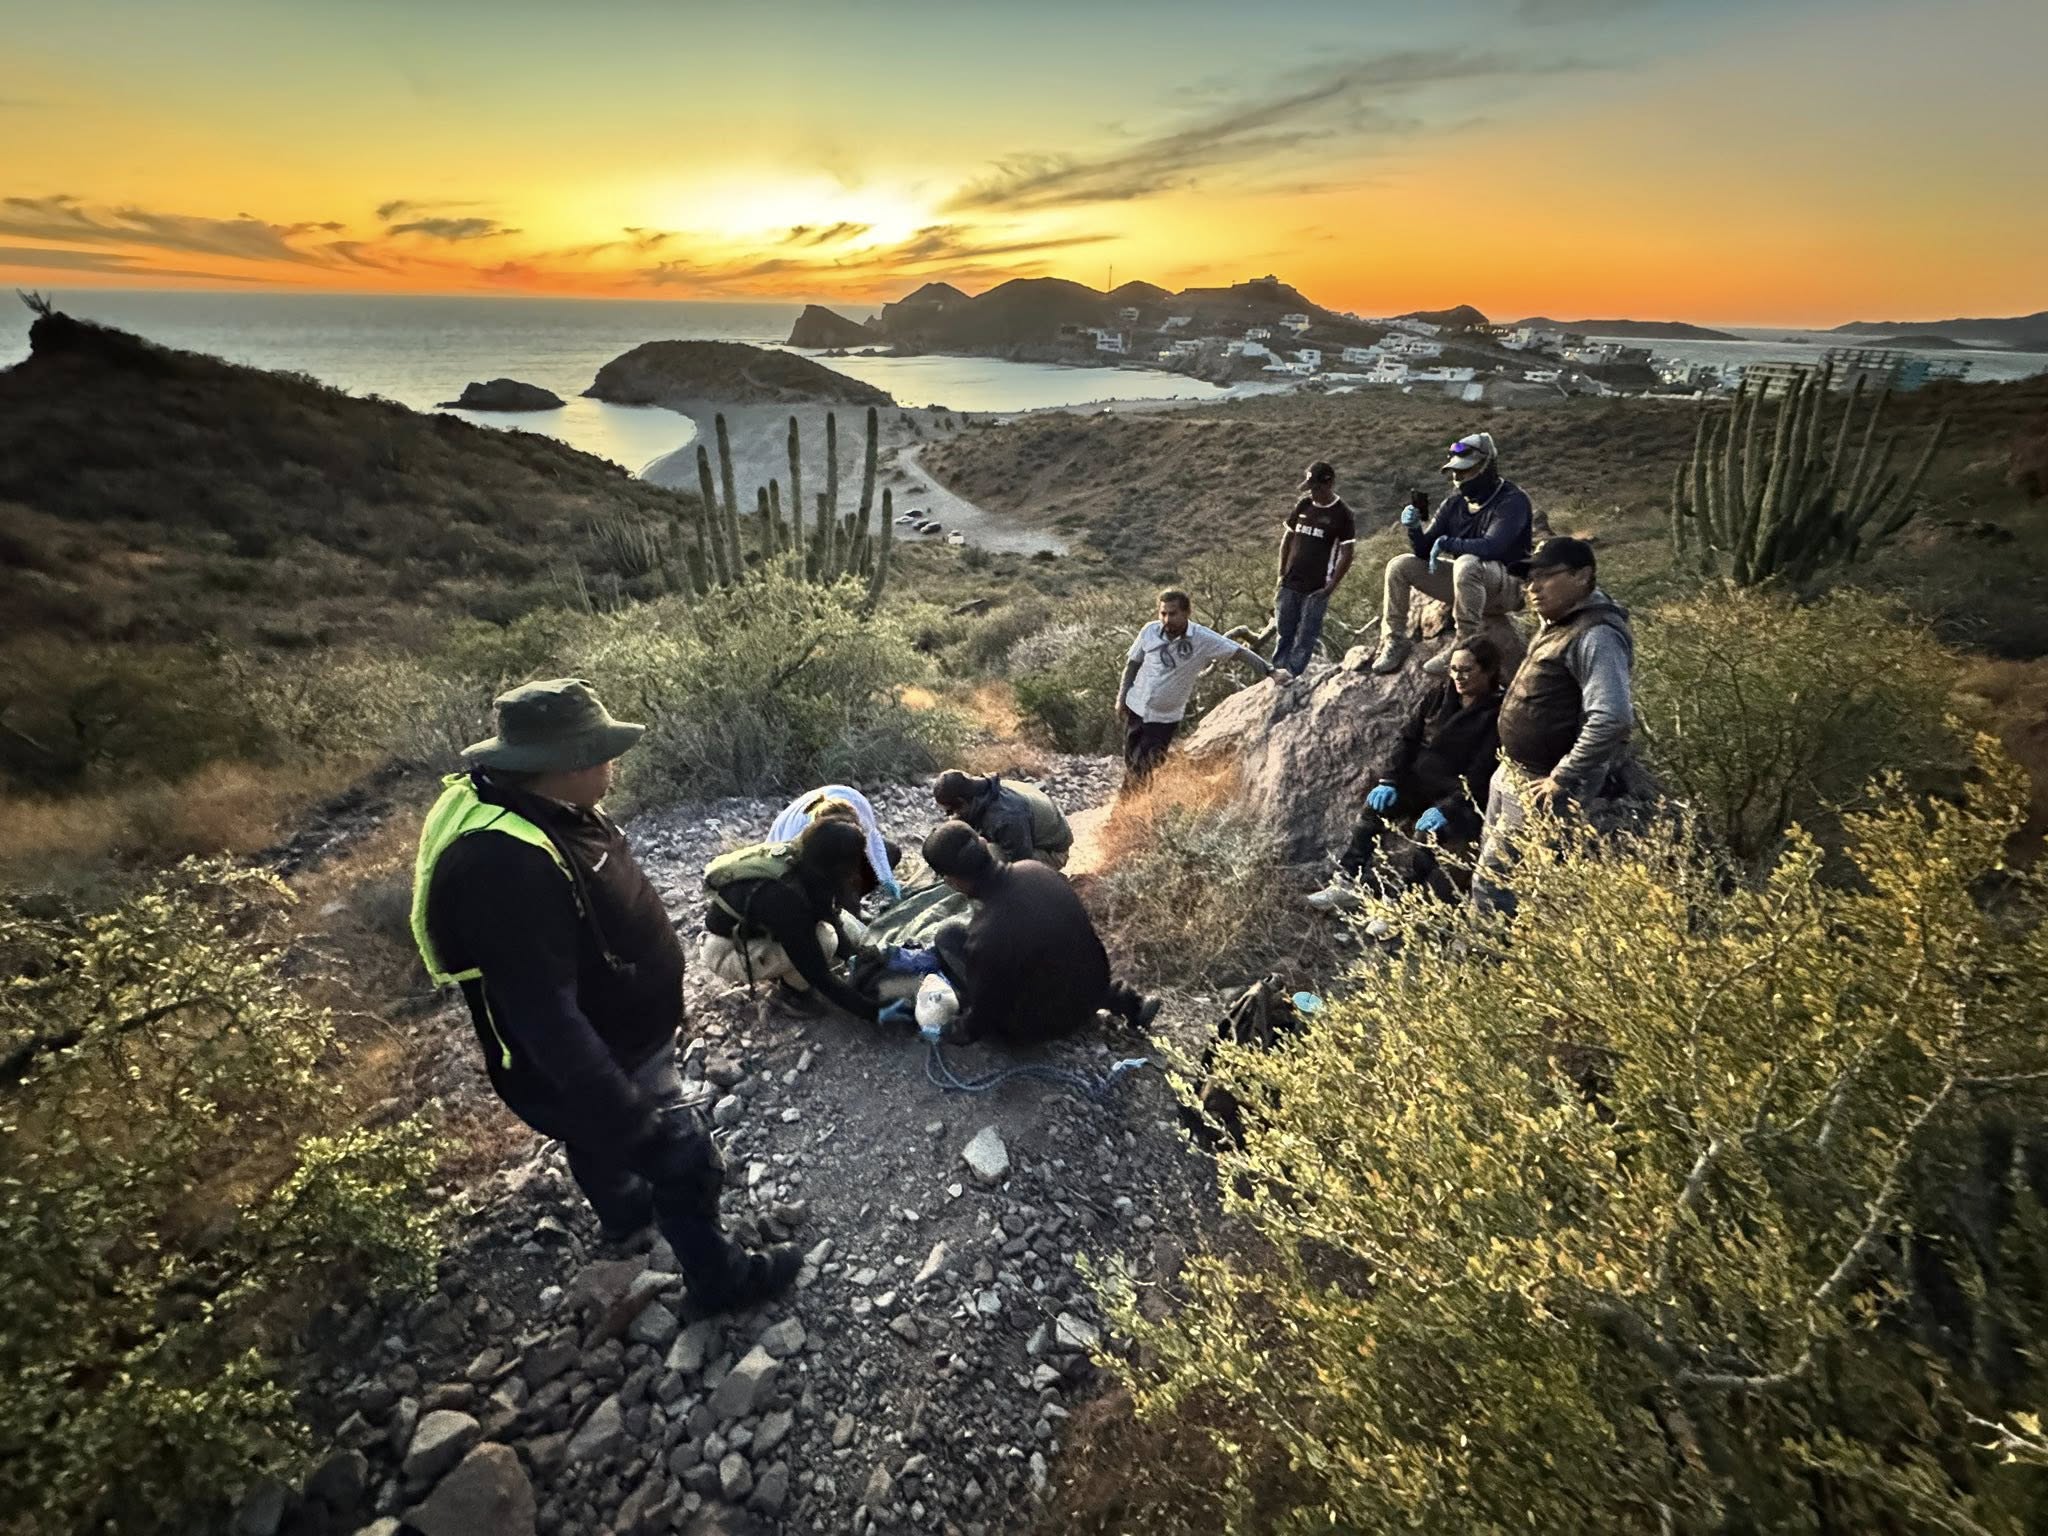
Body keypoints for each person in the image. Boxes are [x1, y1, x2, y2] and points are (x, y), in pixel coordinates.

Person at [412, 678, 798, 1313]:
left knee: (594, 1141)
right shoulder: (502, 867)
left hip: (622, 1032)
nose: (613, 764)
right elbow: (545, 1019)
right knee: (687, 1160)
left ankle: (624, 1213)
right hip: (607, 1055)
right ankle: (721, 1280)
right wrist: (639, 1126)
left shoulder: (540, 806)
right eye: (603, 752)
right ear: (565, 762)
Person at [1471, 537, 1635, 914]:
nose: (1532, 587)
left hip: (1541, 784)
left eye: (1545, 576)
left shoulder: (1596, 634)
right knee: (1491, 867)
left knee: (1496, 885)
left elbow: (1612, 717)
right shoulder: (1562, 623)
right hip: (1515, 771)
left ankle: (1490, 949)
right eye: (1529, 579)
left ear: (1582, 576)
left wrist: (1563, 776)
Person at [1307, 636, 1505, 912]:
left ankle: (1402, 903)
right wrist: (1389, 780)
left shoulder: (1497, 711)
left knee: (1428, 833)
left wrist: (1450, 807)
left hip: (1458, 793)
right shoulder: (1440, 695)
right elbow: (1407, 739)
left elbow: (1482, 770)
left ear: (1488, 670)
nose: (1458, 677)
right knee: (1374, 809)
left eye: (1467, 670)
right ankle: (1348, 881)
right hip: (1419, 782)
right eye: (1454, 669)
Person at [918, 822, 1160, 1045]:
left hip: (1042, 1027)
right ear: (983, 843)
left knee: (948, 937)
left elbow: (985, 1014)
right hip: (1095, 990)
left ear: (952, 880)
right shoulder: (1036, 870)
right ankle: (1129, 1001)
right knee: (1045, 949)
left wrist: (955, 1031)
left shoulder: (985, 934)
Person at [1373, 431, 1535, 677]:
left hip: (1507, 588)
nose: (1458, 478)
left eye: (1466, 471)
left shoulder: (1512, 501)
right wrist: (1415, 529)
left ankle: (1464, 645)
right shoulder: (1455, 503)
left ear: (1486, 466)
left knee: (1467, 563)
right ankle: (1395, 639)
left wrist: (1449, 543)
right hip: (1469, 585)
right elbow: (1424, 550)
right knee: (1399, 565)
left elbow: (1492, 547)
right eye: (1455, 472)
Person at [701, 819, 887, 1021]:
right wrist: (876, 1012)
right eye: (854, 863)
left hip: (754, 932)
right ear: (838, 866)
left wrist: (856, 958)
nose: (857, 869)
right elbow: (820, 976)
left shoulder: (806, 861)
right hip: (724, 950)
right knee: (825, 940)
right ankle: (791, 995)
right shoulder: (784, 899)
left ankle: (781, 967)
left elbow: (828, 913)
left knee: (832, 931)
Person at [1117, 588, 1287, 783]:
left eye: (1173, 614)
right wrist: (1122, 697)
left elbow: (1239, 652)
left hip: (1164, 716)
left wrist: (1270, 672)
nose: (1166, 619)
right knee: (1132, 762)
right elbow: (1132, 664)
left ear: (1186, 612)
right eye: (1163, 613)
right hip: (1137, 707)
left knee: (1146, 763)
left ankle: (1132, 800)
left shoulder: (1202, 638)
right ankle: (1132, 798)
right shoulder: (1149, 631)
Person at [1273, 460, 1358, 676]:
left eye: (1317, 488)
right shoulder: (1304, 505)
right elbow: (1288, 538)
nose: (1313, 493)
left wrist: (1331, 586)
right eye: (1310, 488)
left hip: (1317, 586)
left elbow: (1347, 553)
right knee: (1284, 630)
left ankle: (1294, 673)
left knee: (1306, 635)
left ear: (1329, 484)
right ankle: (1278, 671)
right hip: (1291, 580)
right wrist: (1281, 572)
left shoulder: (1342, 514)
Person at [768, 784, 902, 900]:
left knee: (891, 852)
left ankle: (848, 900)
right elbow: (788, 870)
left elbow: (873, 840)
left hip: (828, 852)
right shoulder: (798, 832)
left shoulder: (860, 808)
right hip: (785, 869)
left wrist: (886, 879)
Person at [931, 770, 1074, 868]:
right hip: (1028, 838)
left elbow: (1022, 864)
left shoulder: (1006, 816)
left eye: (950, 811)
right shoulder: (982, 792)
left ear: (962, 801)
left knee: (979, 858)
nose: (951, 815)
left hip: (1051, 852)